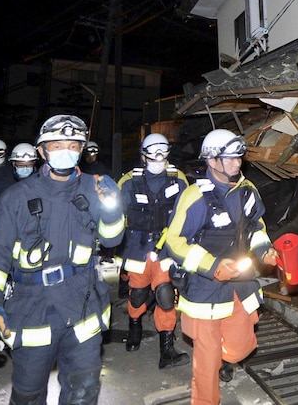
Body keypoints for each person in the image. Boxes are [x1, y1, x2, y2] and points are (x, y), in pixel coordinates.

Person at [0, 115, 125, 405]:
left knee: (83, 391)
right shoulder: (16, 196)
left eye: (72, 145)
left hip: (83, 305)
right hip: (32, 310)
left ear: (81, 150)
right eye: (56, 145)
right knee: (28, 395)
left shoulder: (95, 189)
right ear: (42, 151)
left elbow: (112, 239)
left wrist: (112, 208)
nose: (65, 151)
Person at [165, 128, 278, 405]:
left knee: (241, 348)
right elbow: (174, 242)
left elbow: (256, 228)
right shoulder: (195, 197)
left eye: (239, 157)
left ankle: (226, 358)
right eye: (230, 158)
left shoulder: (247, 191)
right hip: (205, 291)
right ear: (212, 161)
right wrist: (212, 266)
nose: (237, 163)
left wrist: (264, 250)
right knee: (207, 360)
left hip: (240, 285)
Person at [116, 133, 189, 368]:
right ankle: (134, 327)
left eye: (163, 153)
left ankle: (166, 349)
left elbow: (188, 214)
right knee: (137, 296)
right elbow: (113, 215)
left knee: (166, 296)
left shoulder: (178, 180)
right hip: (137, 248)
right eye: (153, 154)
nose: (158, 159)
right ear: (143, 156)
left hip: (166, 249)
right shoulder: (128, 182)